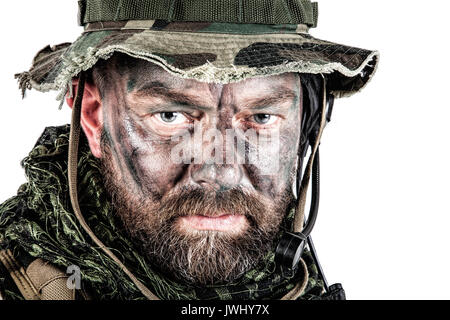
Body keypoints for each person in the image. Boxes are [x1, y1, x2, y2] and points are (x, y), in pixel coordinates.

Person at [0, 0, 379, 300]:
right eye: (170, 116)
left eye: (261, 117)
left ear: (307, 125)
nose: (220, 172)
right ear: (94, 117)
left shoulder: (301, 284)